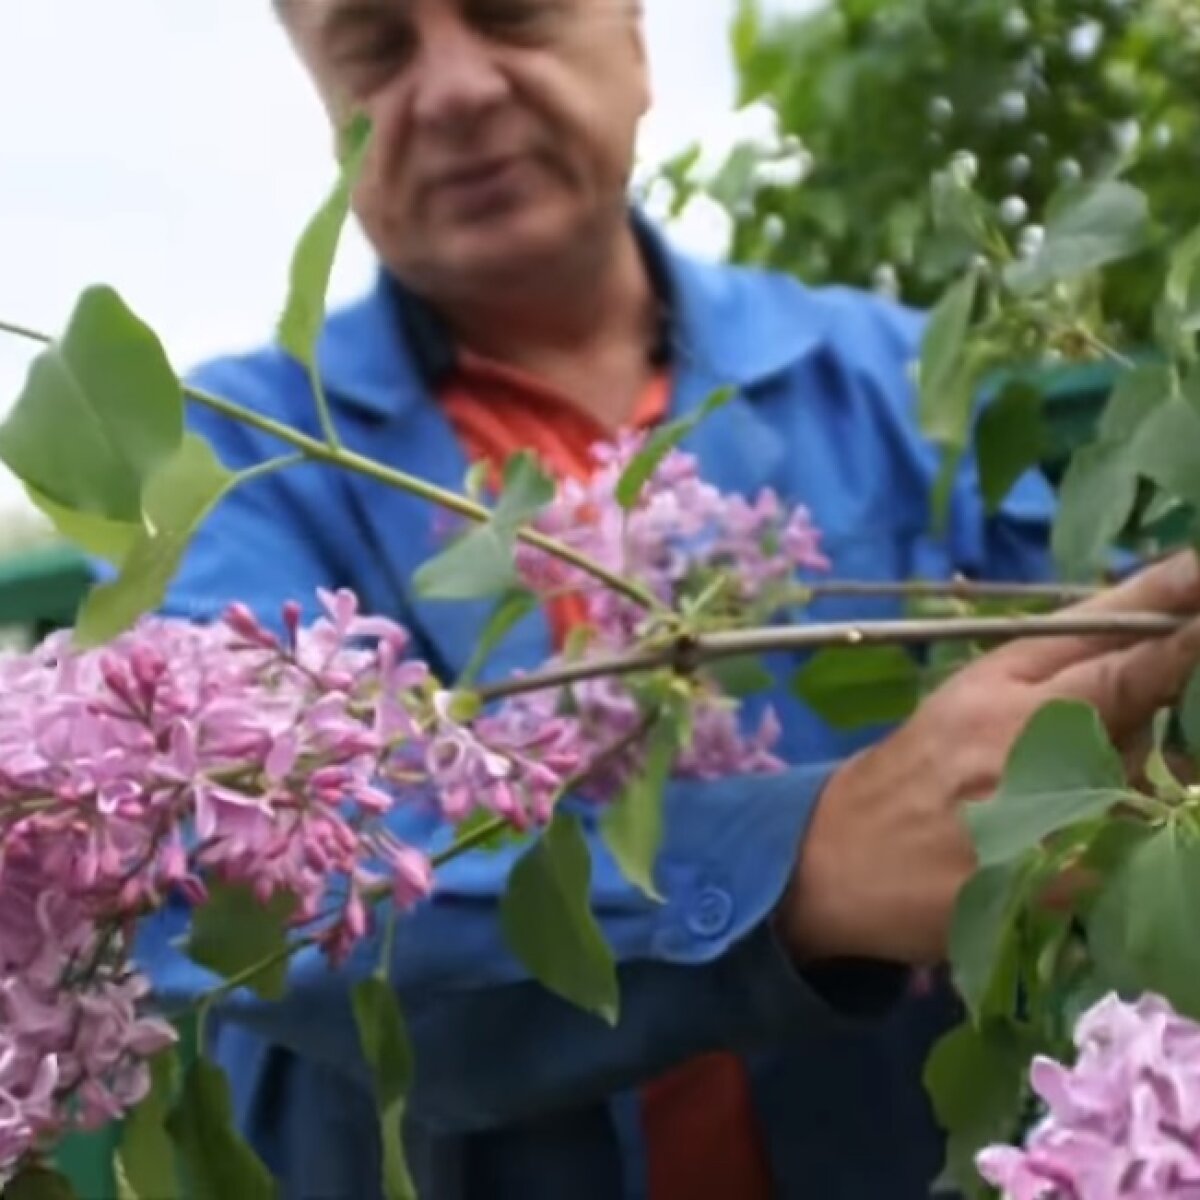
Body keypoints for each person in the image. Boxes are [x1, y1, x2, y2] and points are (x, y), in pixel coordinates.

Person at [131, 0, 1200, 1196]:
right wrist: (803, 864)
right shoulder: (231, 459)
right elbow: (234, 885)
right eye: (377, 47)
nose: (459, 89)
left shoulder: (902, 386)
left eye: (511, 13)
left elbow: (1121, 702)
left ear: (634, 39)